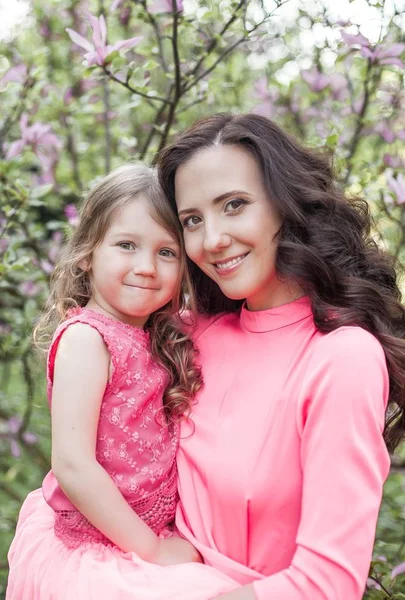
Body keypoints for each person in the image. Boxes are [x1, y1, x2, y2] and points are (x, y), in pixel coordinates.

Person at [157, 113, 405, 600]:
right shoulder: (190, 331)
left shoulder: (341, 358)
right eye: (192, 220)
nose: (212, 240)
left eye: (234, 205)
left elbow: (326, 584)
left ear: (285, 205)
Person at [6, 164, 238, 600]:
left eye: (166, 252)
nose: (146, 267)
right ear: (88, 253)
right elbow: (74, 466)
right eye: (126, 245)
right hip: (103, 549)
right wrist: (151, 548)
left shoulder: (153, 334)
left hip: (142, 534)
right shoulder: (86, 339)